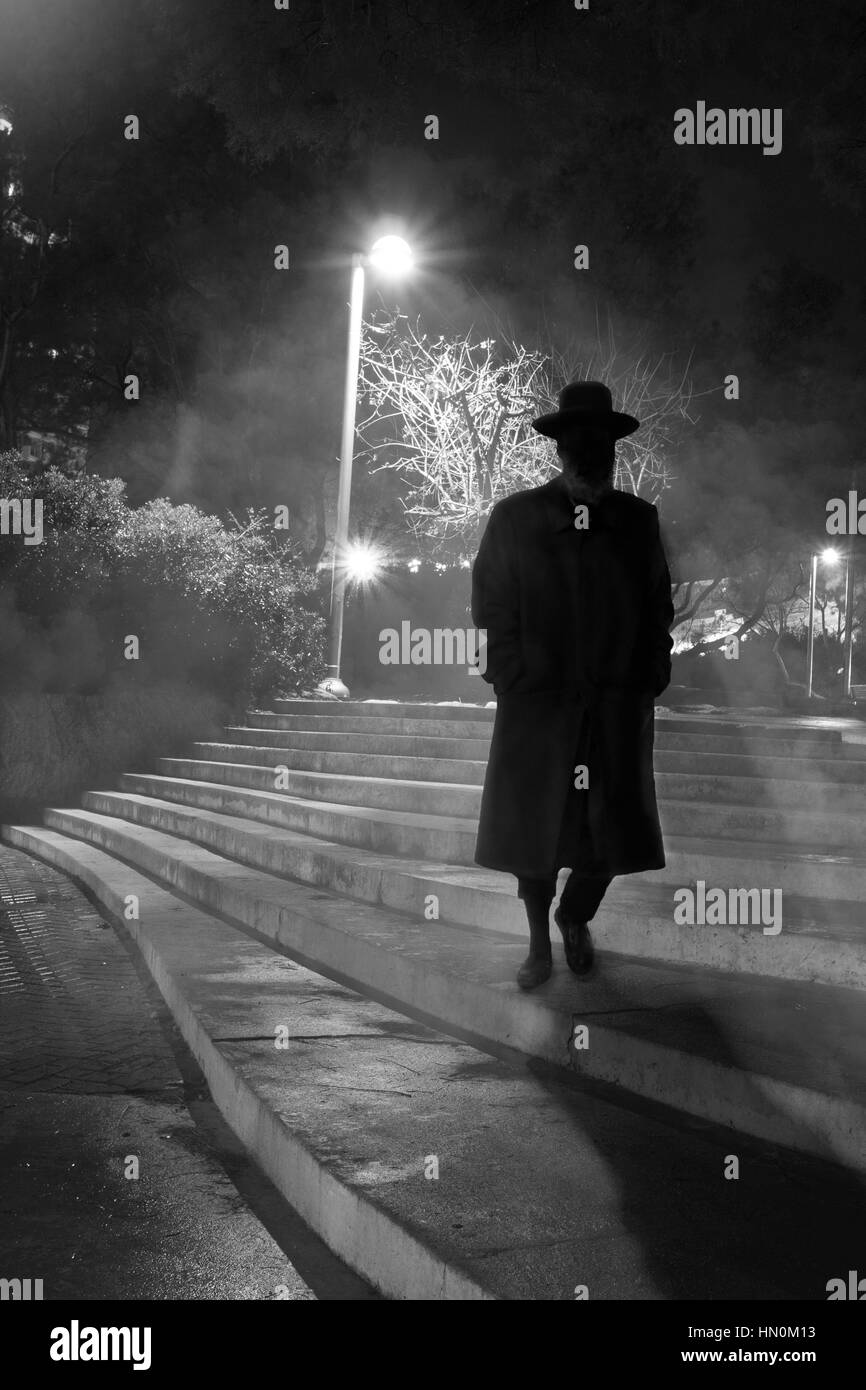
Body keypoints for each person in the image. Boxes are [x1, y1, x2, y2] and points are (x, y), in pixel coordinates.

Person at [470, 380, 675, 989]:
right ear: (559, 447)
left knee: (614, 829)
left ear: (615, 448)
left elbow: (657, 605)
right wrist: (509, 674)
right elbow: (491, 605)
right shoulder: (515, 517)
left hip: (614, 704)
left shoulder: (638, 521)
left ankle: (574, 915)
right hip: (539, 704)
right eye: (578, 440)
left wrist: (650, 674)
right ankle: (538, 945)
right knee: (535, 830)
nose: (590, 450)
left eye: (601, 441)